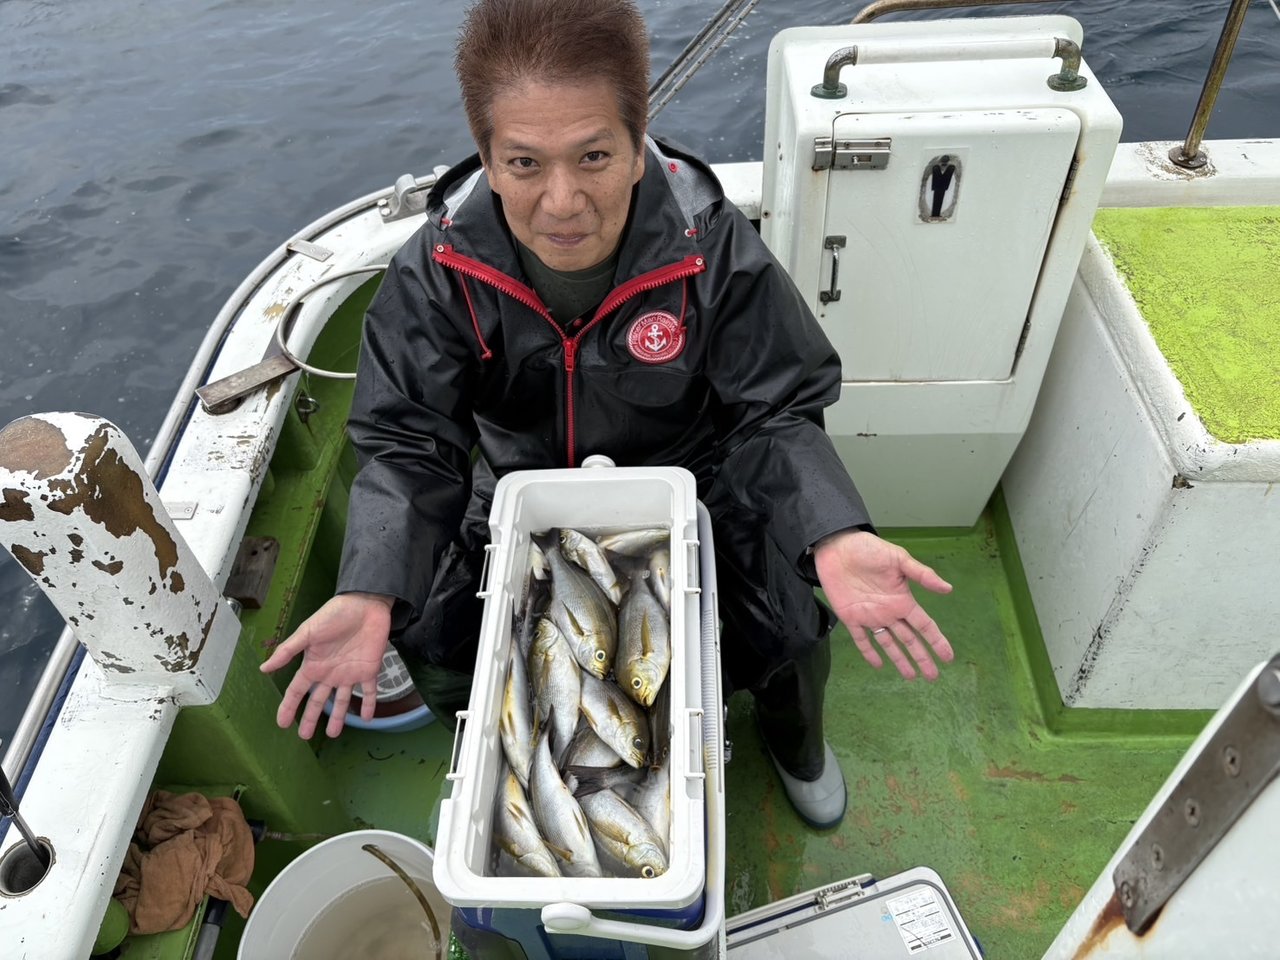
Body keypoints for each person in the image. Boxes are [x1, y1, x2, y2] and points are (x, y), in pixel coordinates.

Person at [261, 0, 953, 830]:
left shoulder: (710, 248)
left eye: (592, 156)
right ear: (487, 158)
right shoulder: (438, 270)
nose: (561, 202)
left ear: (637, 144)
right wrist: (374, 586)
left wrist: (830, 530)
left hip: (698, 481)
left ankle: (796, 746)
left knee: (791, 631)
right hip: (517, 488)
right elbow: (410, 441)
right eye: (524, 163)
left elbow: (772, 411)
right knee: (437, 637)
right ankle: (505, 759)